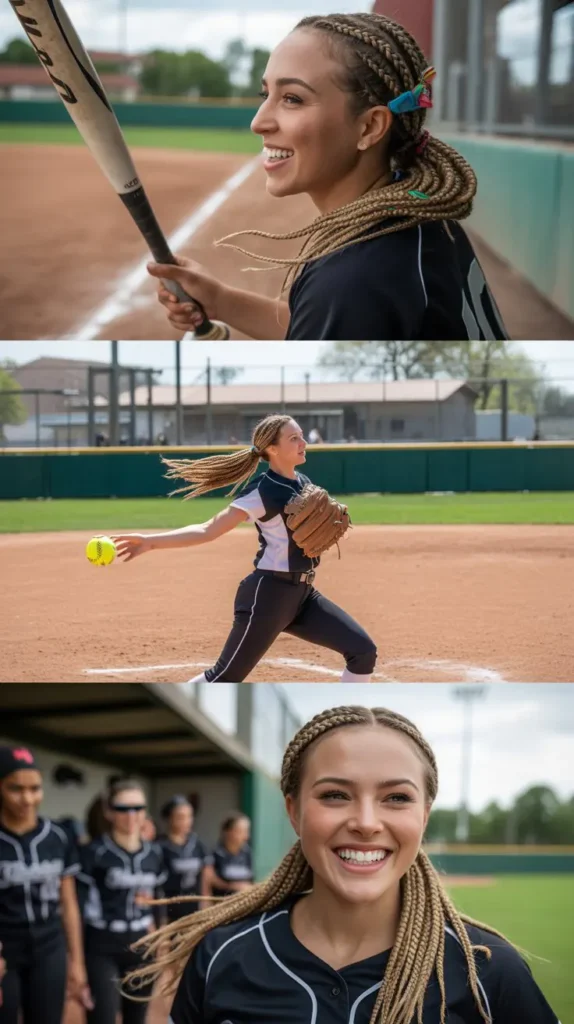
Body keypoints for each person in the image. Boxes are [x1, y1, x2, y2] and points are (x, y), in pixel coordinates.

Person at [128, 705, 560, 1024]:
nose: (367, 823)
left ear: (424, 816)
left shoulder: (486, 969)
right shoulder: (221, 955)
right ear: (293, 811)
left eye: (397, 798)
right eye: (335, 794)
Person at [147, 13, 507, 343]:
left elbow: (342, 309)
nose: (259, 121)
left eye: (292, 98)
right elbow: (328, 323)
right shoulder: (421, 213)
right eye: (265, 94)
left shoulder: (354, 280)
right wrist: (220, 301)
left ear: (369, 126)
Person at [109, 414, 377, 683]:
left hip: (304, 596)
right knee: (224, 677)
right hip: (268, 596)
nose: (303, 443)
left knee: (363, 652)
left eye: (302, 436)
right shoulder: (261, 492)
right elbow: (208, 529)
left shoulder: (303, 482)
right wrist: (149, 541)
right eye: (294, 438)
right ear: (272, 448)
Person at [0, 745, 91, 1024]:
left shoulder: (59, 837)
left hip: (49, 945)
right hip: (6, 947)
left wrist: (76, 961)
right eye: (16, 788)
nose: (27, 798)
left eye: (35, 788)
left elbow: (69, 902)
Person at [78, 779, 167, 1024]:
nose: (131, 815)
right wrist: (75, 961)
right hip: (102, 944)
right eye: (122, 808)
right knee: (103, 1016)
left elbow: (157, 900)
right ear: (108, 811)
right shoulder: (94, 852)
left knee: (136, 1018)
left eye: (138, 808)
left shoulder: (155, 853)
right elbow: (77, 908)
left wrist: (159, 938)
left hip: (141, 944)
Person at [157, 797, 212, 922]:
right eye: (180, 817)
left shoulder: (197, 844)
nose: (186, 821)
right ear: (169, 818)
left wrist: (205, 901)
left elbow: (206, 876)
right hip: (170, 909)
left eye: (189, 816)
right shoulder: (160, 846)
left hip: (194, 908)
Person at [204, 814, 253, 900]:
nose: (246, 837)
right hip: (221, 903)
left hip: (244, 903)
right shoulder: (216, 853)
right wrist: (232, 886)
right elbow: (209, 880)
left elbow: (250, 879)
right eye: (241, 831)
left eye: (246, 831)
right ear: (228, 832)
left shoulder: (247, 852)